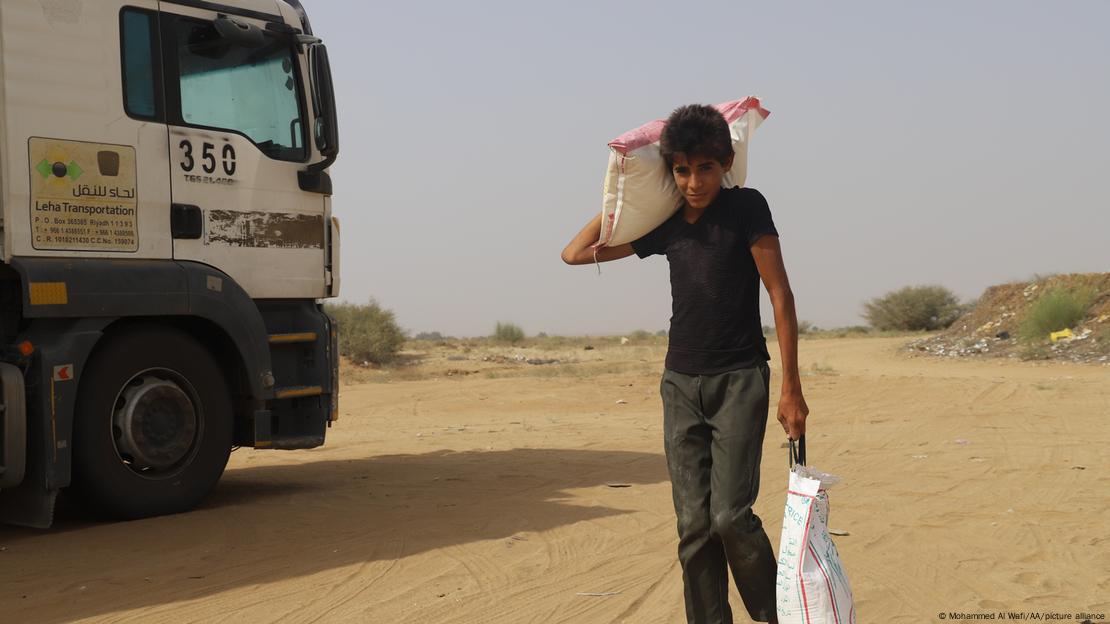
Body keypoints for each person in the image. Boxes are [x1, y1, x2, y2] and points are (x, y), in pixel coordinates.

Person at [561, 104, 808, 624]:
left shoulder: (746, 208)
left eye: (705, 168)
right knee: (693, 525)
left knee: (730, 518)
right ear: (669, 171)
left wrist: (792, 389)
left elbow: (780, 294)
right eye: (681, 169)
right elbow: (575, 254)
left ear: (724, 165)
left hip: (740, 381)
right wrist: (626, 198)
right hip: (680, 386)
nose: (694, 182)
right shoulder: (666, 224)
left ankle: (779, 614)